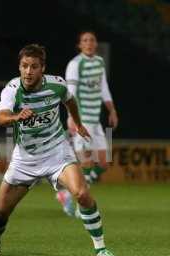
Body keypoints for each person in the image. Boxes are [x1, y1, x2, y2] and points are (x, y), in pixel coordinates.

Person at [0, 44, 119, 256]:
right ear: (19, 67)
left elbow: (70, 100)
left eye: (34, 67)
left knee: (82, 194)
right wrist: (15, 117)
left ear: (42, 69)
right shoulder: (12, 89)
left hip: (58, 152)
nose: (28, 71)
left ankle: (101, 248)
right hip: (25, 159)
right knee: (1, 210)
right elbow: (0, 117)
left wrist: (77, 122)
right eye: (24, 66)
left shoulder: (56, 85)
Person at [56, 30, 119, 217]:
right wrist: (71, 118)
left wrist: (112, 110)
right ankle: (80, 205)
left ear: (96, 43)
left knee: (104, 162)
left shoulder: (99, 62)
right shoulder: (75, 64)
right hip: (81, 120)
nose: (89, 43)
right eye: (85, 40)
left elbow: (104, 88)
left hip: (95, 121)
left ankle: (67, 194)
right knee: (86, 163)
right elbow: (70, 92)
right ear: (79, 45)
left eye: (92, 40)